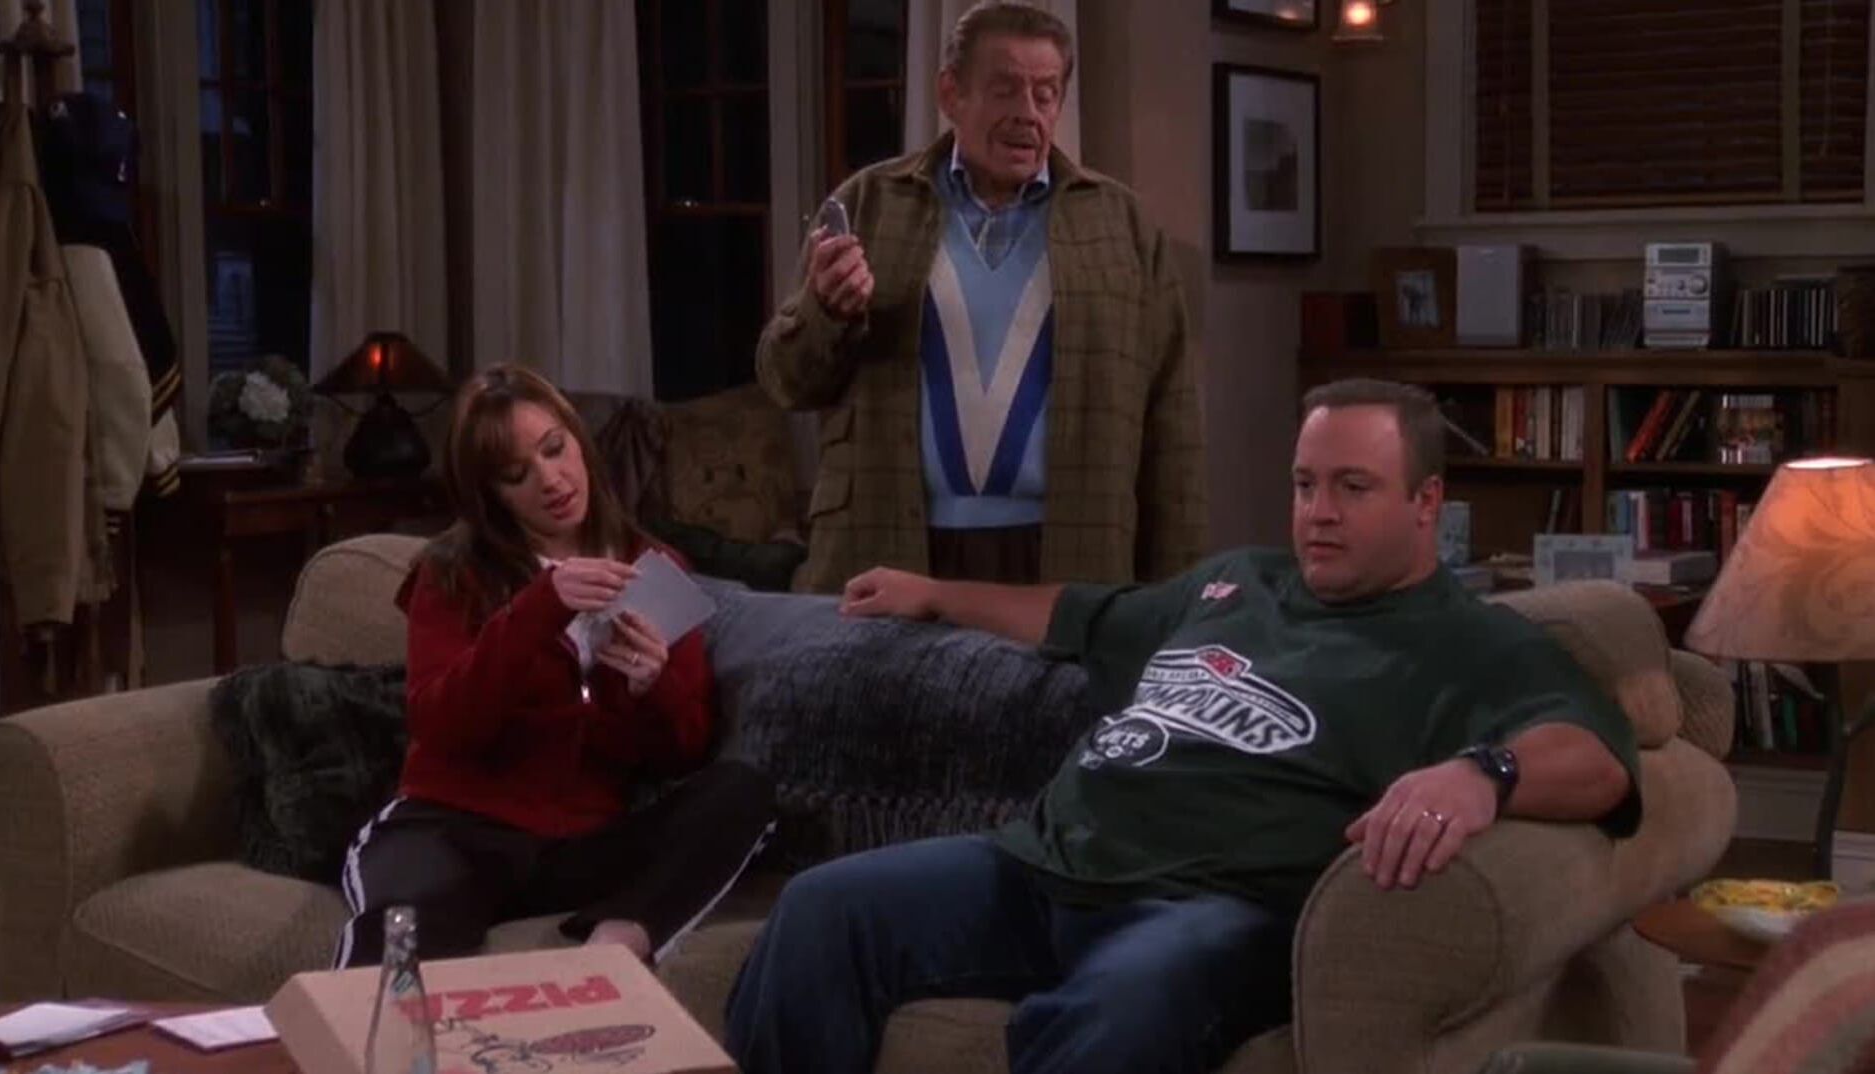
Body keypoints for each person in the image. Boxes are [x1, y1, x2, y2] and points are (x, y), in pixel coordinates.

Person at [723, 378, 1643, 1074]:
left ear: (1425, 502)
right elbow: (1077, 613)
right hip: (1041, 866)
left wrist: (1482, 774)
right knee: (822, 909)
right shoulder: (1238, 581)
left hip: (1212, 908)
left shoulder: (1470, 642)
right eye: (1304, 484)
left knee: (1125, 1005)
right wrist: (935, 594)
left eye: (1352, 487)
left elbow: (1599, 760)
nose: (1318, 514)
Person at [333, 365, 773, 969]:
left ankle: (611, 955)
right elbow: (442, 726)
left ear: (578, 439)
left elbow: (683, 752)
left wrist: (654, 685)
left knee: (742, 792)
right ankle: (362, 1023)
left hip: (583, 845)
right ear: (491, 494)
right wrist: (539, 609)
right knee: (398, 940)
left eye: (555, 448)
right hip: (454, 829)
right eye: (516, 475)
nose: (551, 480)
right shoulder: (454, 572)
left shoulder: (654, 567)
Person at [757, 0, 1206, 593]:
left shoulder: (1121, 225)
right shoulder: (870, 203)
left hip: (1071, 554)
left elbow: (1172, 423)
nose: (1027, 114)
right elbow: (785, 381)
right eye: (1004, 90)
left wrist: (1178, 596)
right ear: (951, 94)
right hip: (890, 547)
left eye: (1045, 94)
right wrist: (826, 312)